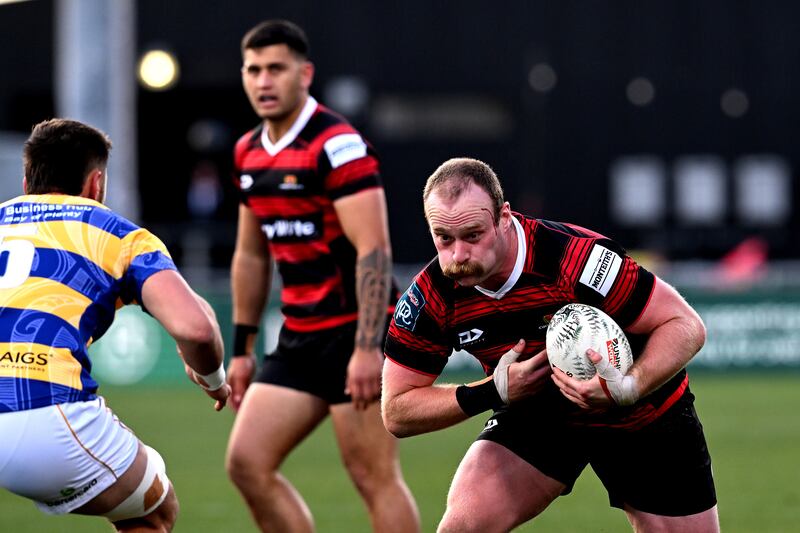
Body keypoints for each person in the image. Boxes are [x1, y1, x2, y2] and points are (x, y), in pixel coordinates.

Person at [382, 157, 719, 533]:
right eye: (444, 238)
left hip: (642, 412)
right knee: (462, 527)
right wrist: (493, 391)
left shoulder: (576, 259)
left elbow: (685, 325)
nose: (458, 255)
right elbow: (396, 411)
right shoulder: (431, 297)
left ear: (503, 218)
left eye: (473, 235)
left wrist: (629, 386)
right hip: (536, 413)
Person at [224, 20, 419, 532]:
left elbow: (373, 250)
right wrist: (242, 349)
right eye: (253, 70)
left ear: (304, 74)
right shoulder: (247, 152)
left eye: (276, 69)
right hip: (299, 339)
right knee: (246, 462)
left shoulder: (336, 145)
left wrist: (367, 345)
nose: (263, 81)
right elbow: (250, 256)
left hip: (353, 333)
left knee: (373, 476)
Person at [0, 118, 231, 532]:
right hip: (41, 408)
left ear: (25, 181)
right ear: (96, 184)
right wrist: (212, 377)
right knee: (154, 511)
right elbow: (195, 328)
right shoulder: (118, 234)